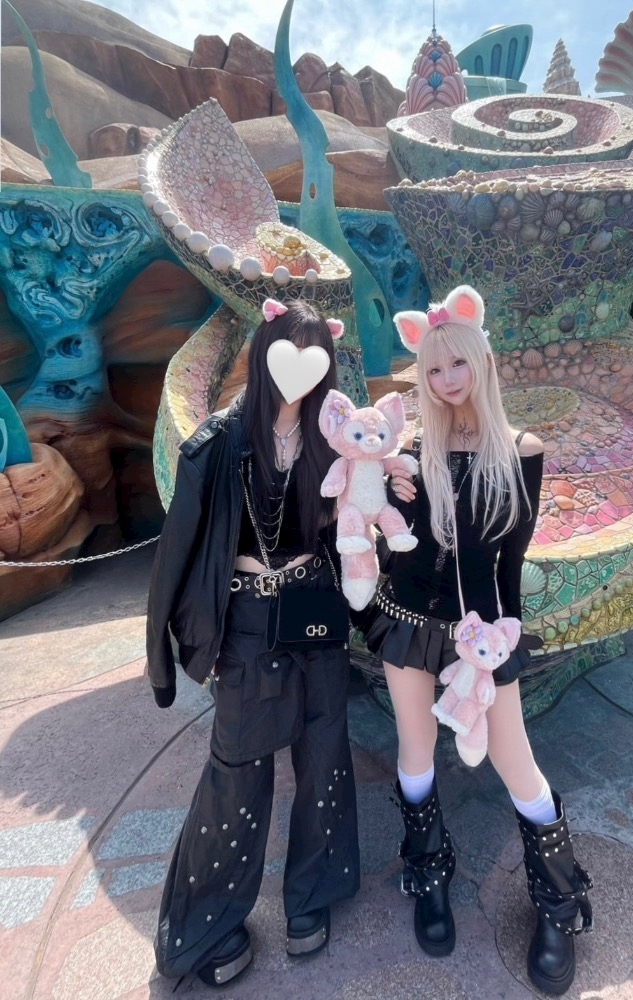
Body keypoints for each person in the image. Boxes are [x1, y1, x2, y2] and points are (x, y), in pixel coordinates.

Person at [363, 285, 592, 996]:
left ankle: (559, 903)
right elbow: (396, 551)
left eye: (457, 363)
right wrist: (387, 507)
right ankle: (429, 874)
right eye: (433, 369)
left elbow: (511, 560)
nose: (446, 379)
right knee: (415, 749)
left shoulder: (522, 451)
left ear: (482, 362)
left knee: (513, 759)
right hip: (408, 619)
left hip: (482, 633)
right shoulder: (411, 449)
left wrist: (505, 643)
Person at [145, 298, 360, 986]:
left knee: (324, 746)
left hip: (315, 604)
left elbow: (363, 515)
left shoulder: (335, 434)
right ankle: (208, 922)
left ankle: (313, 891)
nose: (302, 371)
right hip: (245, 614)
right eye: (290, 354)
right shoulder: (220, 443)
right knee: (238, 764)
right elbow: (177, 552)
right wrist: (163, 657)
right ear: (264, 356)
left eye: (316, 357)